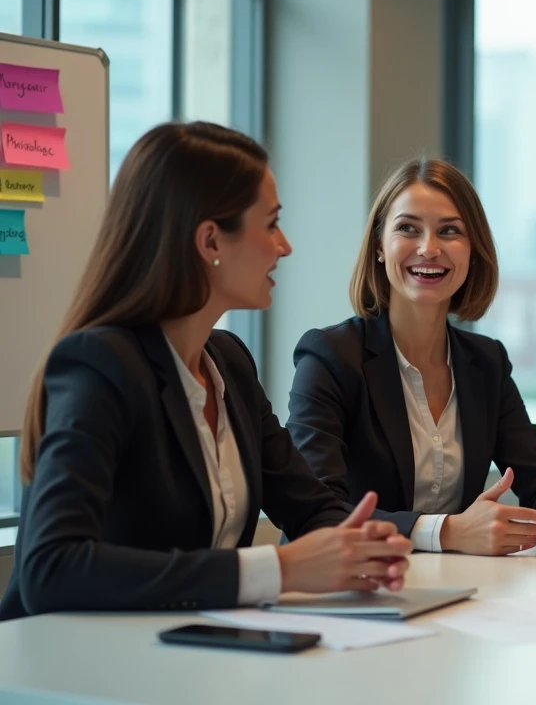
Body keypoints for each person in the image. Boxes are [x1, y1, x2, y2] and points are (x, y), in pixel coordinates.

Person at [0, 122, 411, 622]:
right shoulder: (99, 365)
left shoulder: (229, 363)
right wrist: (276, 569)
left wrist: (360, 542)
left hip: (186, 656)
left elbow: (309, 507)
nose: (285, 247)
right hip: (70, 675)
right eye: (271, 223)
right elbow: (51, 568)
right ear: (211, 240)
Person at [287, 158, 536, 556]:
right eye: (408, 229)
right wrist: (445, 531)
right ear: (379, 246)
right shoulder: (329, 357)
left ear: (473, 251)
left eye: (449, 231)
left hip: (454, 591)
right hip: (346, 589)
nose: (429, 248)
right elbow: (317, 510)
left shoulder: (487, 362)